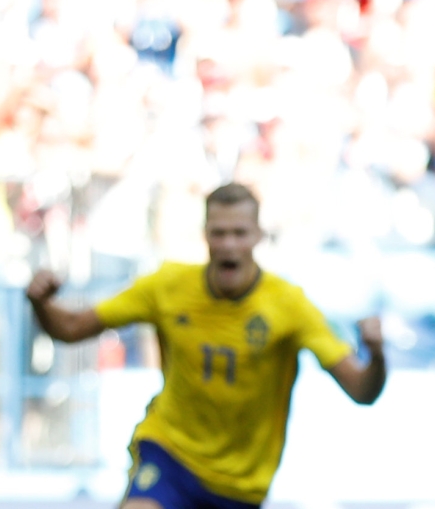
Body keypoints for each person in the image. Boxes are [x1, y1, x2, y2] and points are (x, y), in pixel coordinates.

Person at [25, 183, 386, 509]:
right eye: (219, 233)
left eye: (239, 233)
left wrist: (377, 355)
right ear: (206, 236)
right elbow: (71, 328)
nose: (229, 245)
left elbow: (361, 390)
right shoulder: (168, 286)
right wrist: (40, 304)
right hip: (171, 451)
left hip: (241, 482)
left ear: (258, 236)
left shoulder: (289, 306)